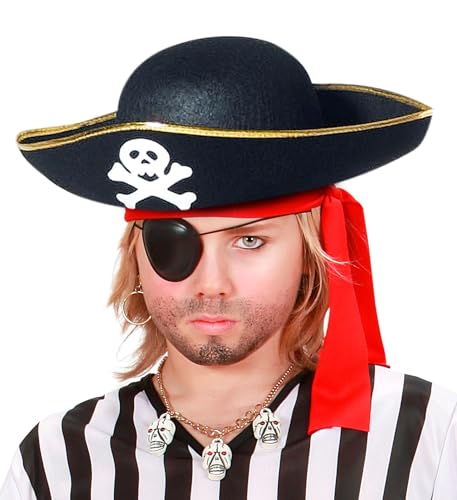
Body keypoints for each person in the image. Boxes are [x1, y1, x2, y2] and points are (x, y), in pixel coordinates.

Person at [1, 36, 455, 499]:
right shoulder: (57, 462)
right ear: (136, 256)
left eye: (249, 240)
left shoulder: (429, 440)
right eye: (174, 242)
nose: (211, 284)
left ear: (309, 252)